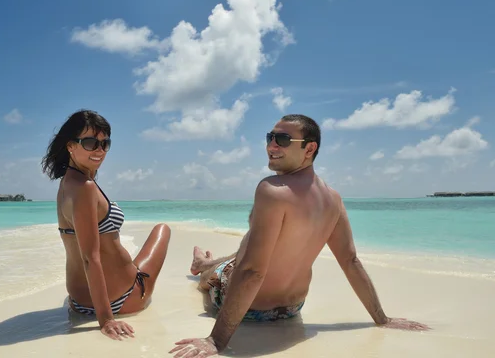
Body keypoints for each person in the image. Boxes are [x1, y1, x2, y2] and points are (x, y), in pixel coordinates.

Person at [169, 114, 429, 357]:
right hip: (292, 309)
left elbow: (252, 272)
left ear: (309, 149)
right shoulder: (333, 199)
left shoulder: (272, 189)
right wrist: (382, 319)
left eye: (282, 140)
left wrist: (216, 341)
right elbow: (350, 261)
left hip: (251, 310)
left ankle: (203, 267)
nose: (272, 146)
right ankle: (206, 262)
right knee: (258, 244)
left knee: (210, 278)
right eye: (269, 137)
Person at [42, 109, 171, 341]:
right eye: (90, 142)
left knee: (127, 255)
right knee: (163, 229)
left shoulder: (67, 184)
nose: (99, 150)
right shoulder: (85, 188)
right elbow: (90, 258)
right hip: (123, 298)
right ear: (71, 145)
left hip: (79, 303)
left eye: (105, 143)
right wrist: (106, 319)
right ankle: (203, 264)